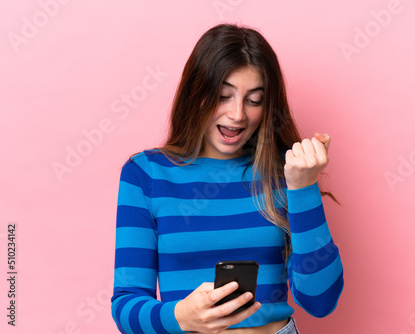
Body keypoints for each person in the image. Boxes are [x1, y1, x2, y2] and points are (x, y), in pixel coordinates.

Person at [111, 23, 344, 334]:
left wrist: (304, 187)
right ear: (196, 94)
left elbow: (321, 300)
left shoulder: (285, 173)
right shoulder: (146, 174)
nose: (237, 115)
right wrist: (181, 317)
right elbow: (125, 305)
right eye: (223, 95)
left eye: (254, 100)